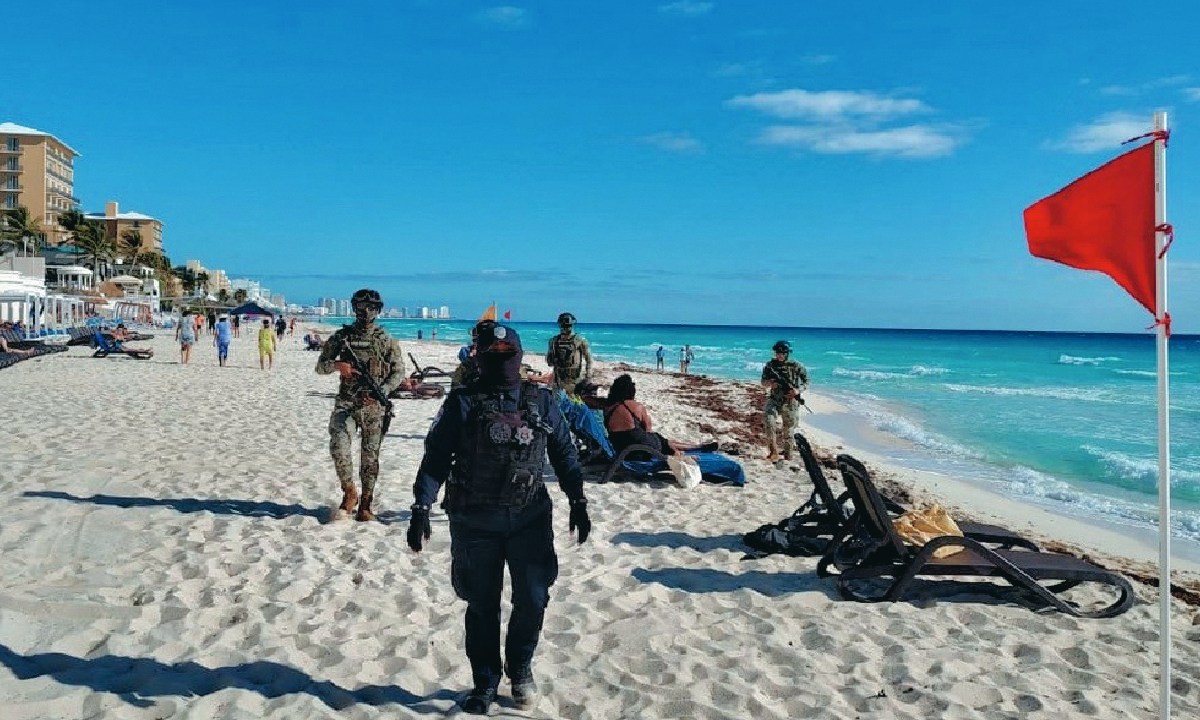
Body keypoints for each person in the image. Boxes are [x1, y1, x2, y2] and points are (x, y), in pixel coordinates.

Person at [408, 321, 591, 714]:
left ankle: (521, 669)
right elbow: (436, 457)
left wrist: (578, 500)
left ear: (520, 357)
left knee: (534, 597)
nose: (501, 361)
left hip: (530, 518)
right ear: (480, 358)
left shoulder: (542, 401)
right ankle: (485, 681)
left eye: (507, 355)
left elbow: (564, 453)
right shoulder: (462, 402)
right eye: (492, 355)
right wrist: (421, 506)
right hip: (475, 520)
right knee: (481, 604)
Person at [316, 288, 413, 521]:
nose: (365, 311)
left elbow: (399, 371)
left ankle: (366, 502)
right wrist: (338, 366)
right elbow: (320, 366)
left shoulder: (386, 340)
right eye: (360, 306)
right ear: (354, 308)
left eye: (370, 307)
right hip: (346, 403)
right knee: (338, 446)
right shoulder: (343, 337)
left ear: (378, 310)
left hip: (373, 407)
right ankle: (349, 492)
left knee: (370, 457)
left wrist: (384, 390)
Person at [603, 373, 714, 457]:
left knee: (661, 440)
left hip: (618, 445)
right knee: (660, 440)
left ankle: (697, 446)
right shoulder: (636, 407)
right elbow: (648, 429)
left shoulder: (608, 407)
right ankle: (694, 448)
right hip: (639, 448)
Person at [760, 340, 809, 464]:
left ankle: (788, 454)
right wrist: (771, 383)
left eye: (782, 353)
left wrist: (798, 390)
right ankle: (773, 451)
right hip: (774, 399)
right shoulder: (770, 366)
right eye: (777, 352)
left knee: (788, 430)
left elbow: (807, 381)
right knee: (769, 422)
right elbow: (763, 382)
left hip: (790, 401)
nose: (779, 355)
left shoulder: (796, 366)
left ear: (787, 353)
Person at [545, 312, 592, 394]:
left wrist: (588, 377)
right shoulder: (554, 341)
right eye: (563, 326)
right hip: (559, 381)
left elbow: (589, 360)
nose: (565, 328)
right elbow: (550, 362)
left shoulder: (579, 340)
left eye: (567, 325)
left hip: (574, 381)